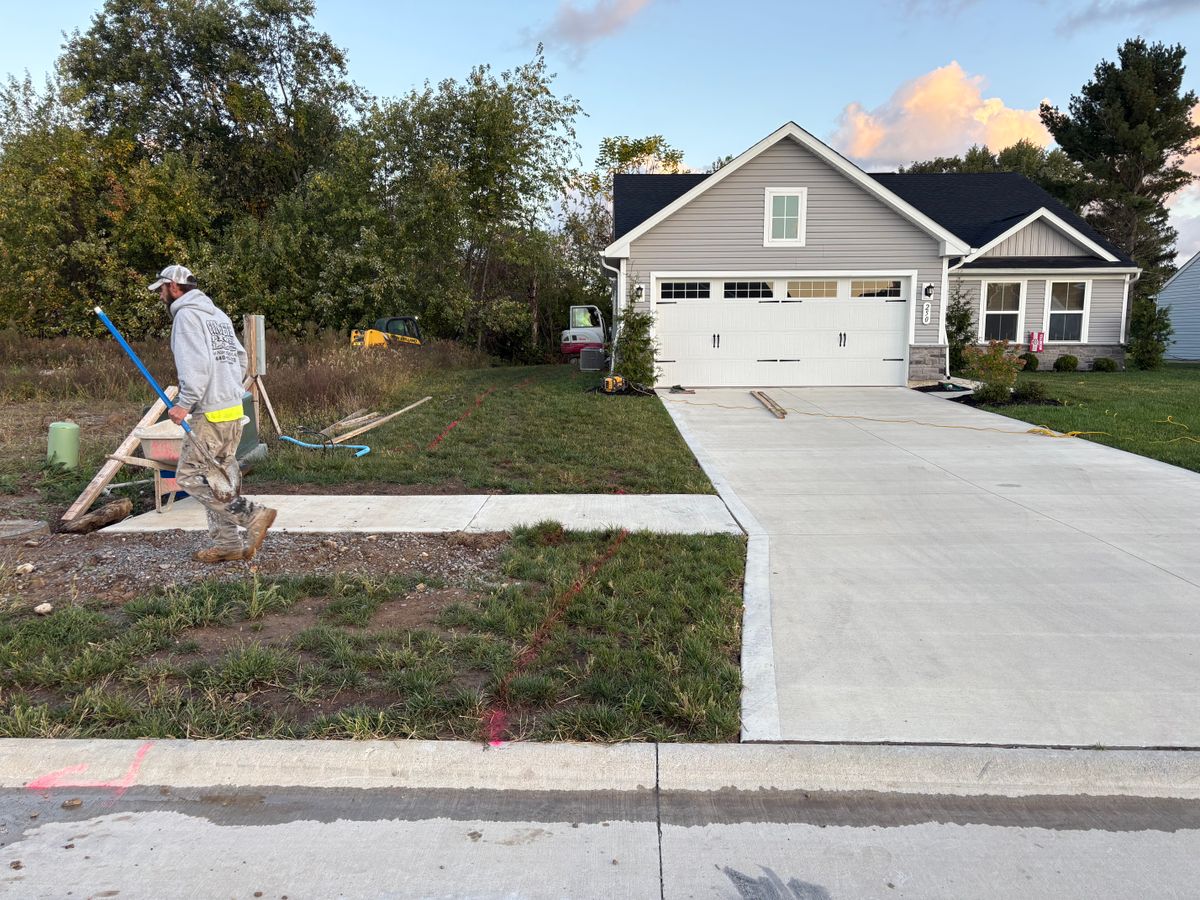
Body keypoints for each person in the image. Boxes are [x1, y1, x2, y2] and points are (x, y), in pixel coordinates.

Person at [149, 264, 277, 563]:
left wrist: (184, 403)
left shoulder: (186, 316)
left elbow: (195, 366)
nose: (161, 297)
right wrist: (230, 387)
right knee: (217, 478)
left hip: (209, 413)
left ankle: (251, 515)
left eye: (162, 290)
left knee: (189, 476)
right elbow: (242, 357)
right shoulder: (217, 316)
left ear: (175, 288)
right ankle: (228, 544)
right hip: (233, 410)